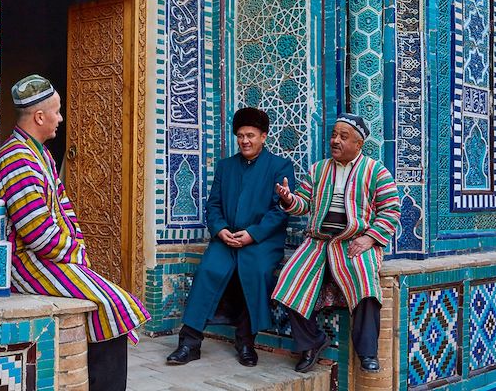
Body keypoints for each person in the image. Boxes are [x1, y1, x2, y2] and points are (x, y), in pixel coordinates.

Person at [0, 74, 150, 391]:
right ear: (40, 116)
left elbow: (65, 209)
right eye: (57, 111)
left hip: (49, 257)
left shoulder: (41, 155)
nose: (61, 119)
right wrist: (74, 252)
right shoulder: (16, 160)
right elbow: (37, 235)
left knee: (112, 302)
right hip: (26, 264)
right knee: (112, 303)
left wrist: (76, 248)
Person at [272, 113, 400, 373]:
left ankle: (367, 352)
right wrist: (287, 199)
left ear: (359, 144)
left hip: (355, 242)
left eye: (343, 137)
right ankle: (312, 342)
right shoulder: (318, 169)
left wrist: (369, 238)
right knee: (290, 280)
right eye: (334, 135)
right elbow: (303, 204)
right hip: (319, 242)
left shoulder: (376, 171)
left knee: (365, 283)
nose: (335, 141)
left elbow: (391, 210)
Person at [166, 107, 295, 367]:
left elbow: (279, 211)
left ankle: (246, 341)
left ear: (263, 136)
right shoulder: (226, 167)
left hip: (261, 242)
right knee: (209, 269)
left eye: (250, 135)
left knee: (255, 271)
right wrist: (220, 229)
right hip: (226, 238)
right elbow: (213, 205)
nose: (245, 141)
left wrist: (252, 234)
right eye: (240, 136)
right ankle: (189, 342)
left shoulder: (280, 166)